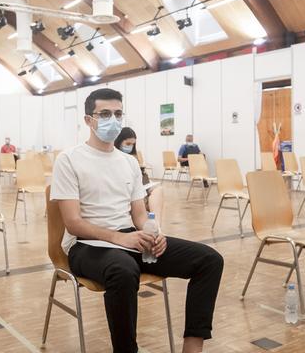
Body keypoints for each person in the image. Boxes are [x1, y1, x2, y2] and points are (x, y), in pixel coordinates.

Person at [50, 88, 223, 353]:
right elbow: (73, 223)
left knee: (209, 260)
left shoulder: (129, 163)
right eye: (105, 114)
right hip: (87, 246)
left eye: (118, 113)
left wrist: (154, 232)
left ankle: (192, 347)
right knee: (122, 271)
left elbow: (139, 215)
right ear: (88, 120)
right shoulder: (69, 160)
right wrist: (121, 238)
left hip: (130, 238)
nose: (113, 120)